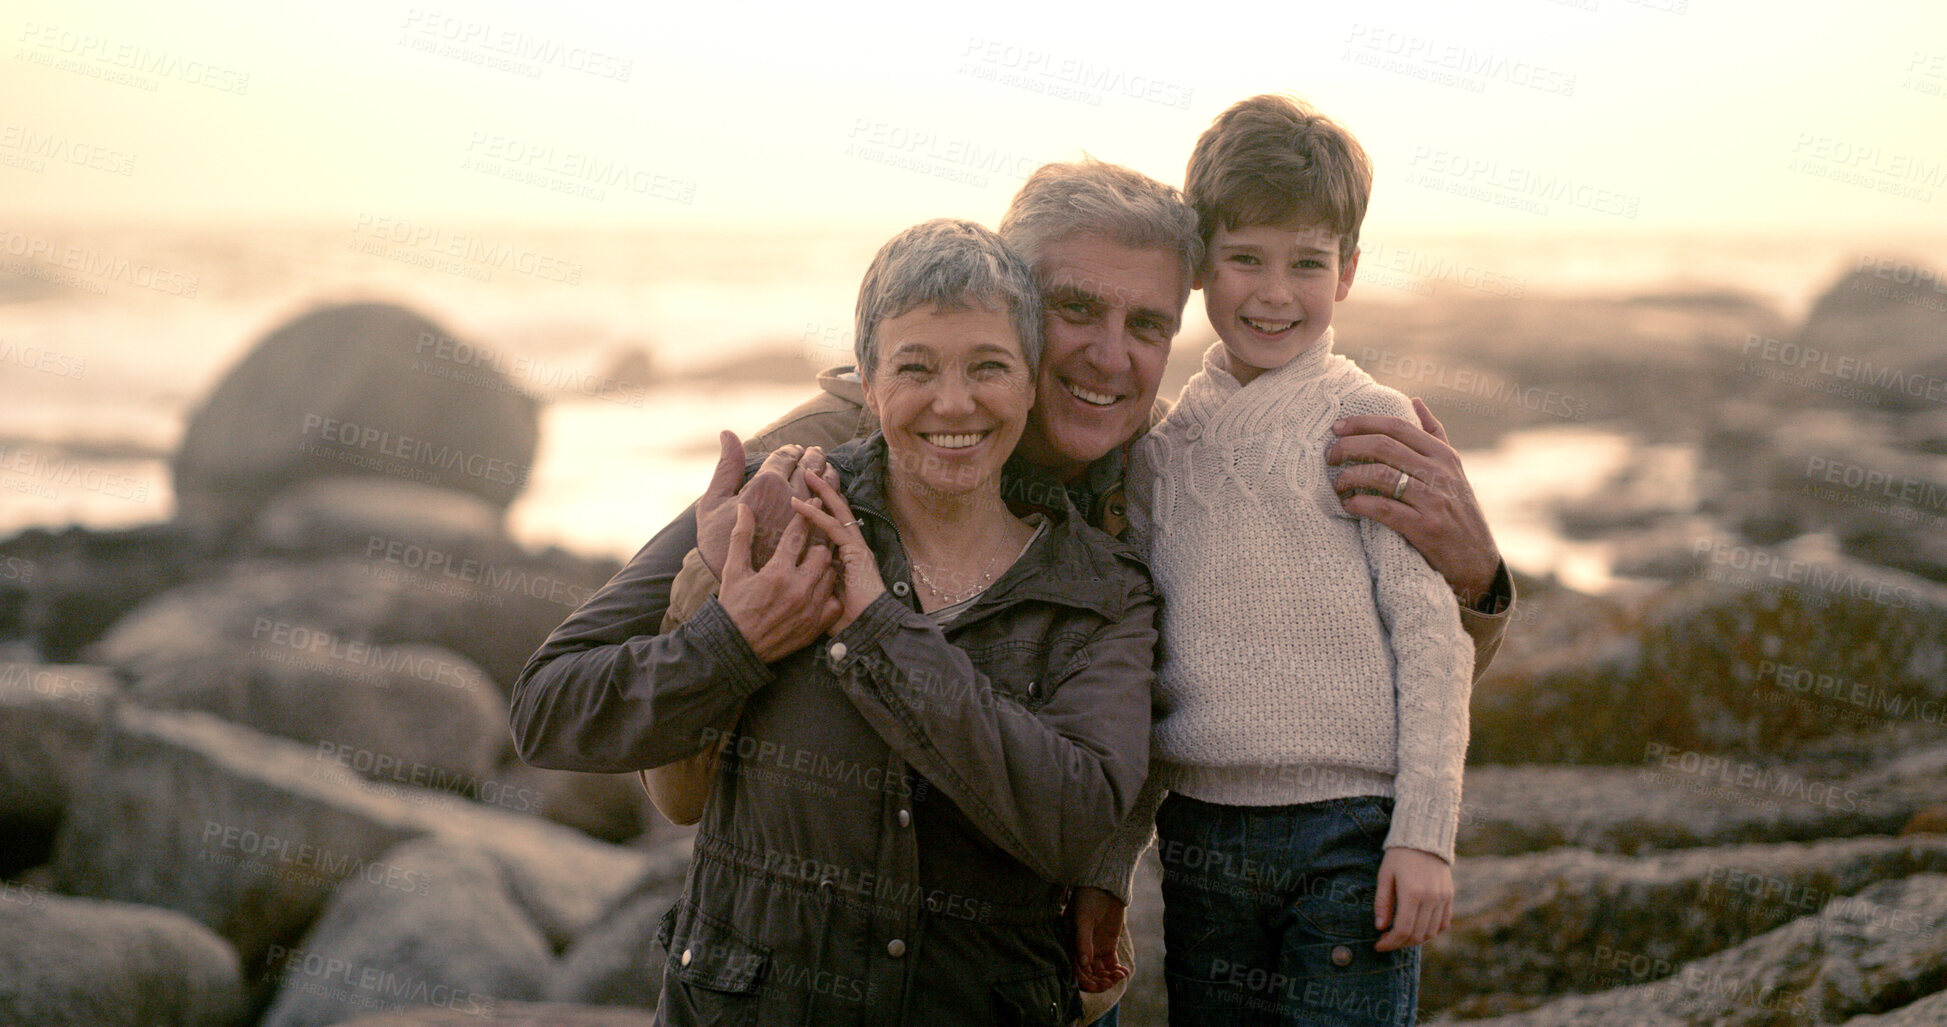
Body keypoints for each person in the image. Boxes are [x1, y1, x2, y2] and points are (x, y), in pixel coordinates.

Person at [640, 157, 1516, 1025]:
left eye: (1146, 323)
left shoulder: (1163, 464)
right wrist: (729, 602)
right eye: (1073, 309)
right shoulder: (825, 455)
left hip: (1020, 982)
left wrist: (1473, 575)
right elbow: (655, 767)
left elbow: (1285, 679)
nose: (1108, 355)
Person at [510, 219, 1160, 1026]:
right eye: (915, 368)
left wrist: (879, 627)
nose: (952, 402)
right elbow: (548, 712)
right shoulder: (781, 508)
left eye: (987, 367)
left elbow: (1074, 826)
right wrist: (729, 636)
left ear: (1031, 381)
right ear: (866, 381)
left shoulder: (1100, 588)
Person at [1076, 94, 1472, 1027]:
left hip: (1350, 834)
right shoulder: (1162, 453)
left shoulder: (1371, 425)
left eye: (1307, 262)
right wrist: (1107, 867)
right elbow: (1136, 681)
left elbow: (1433, 643)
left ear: (1348, 273)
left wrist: (1424, 835)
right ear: (1198, 264)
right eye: (1244, 257)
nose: (1273, 291)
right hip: (1203, 835)